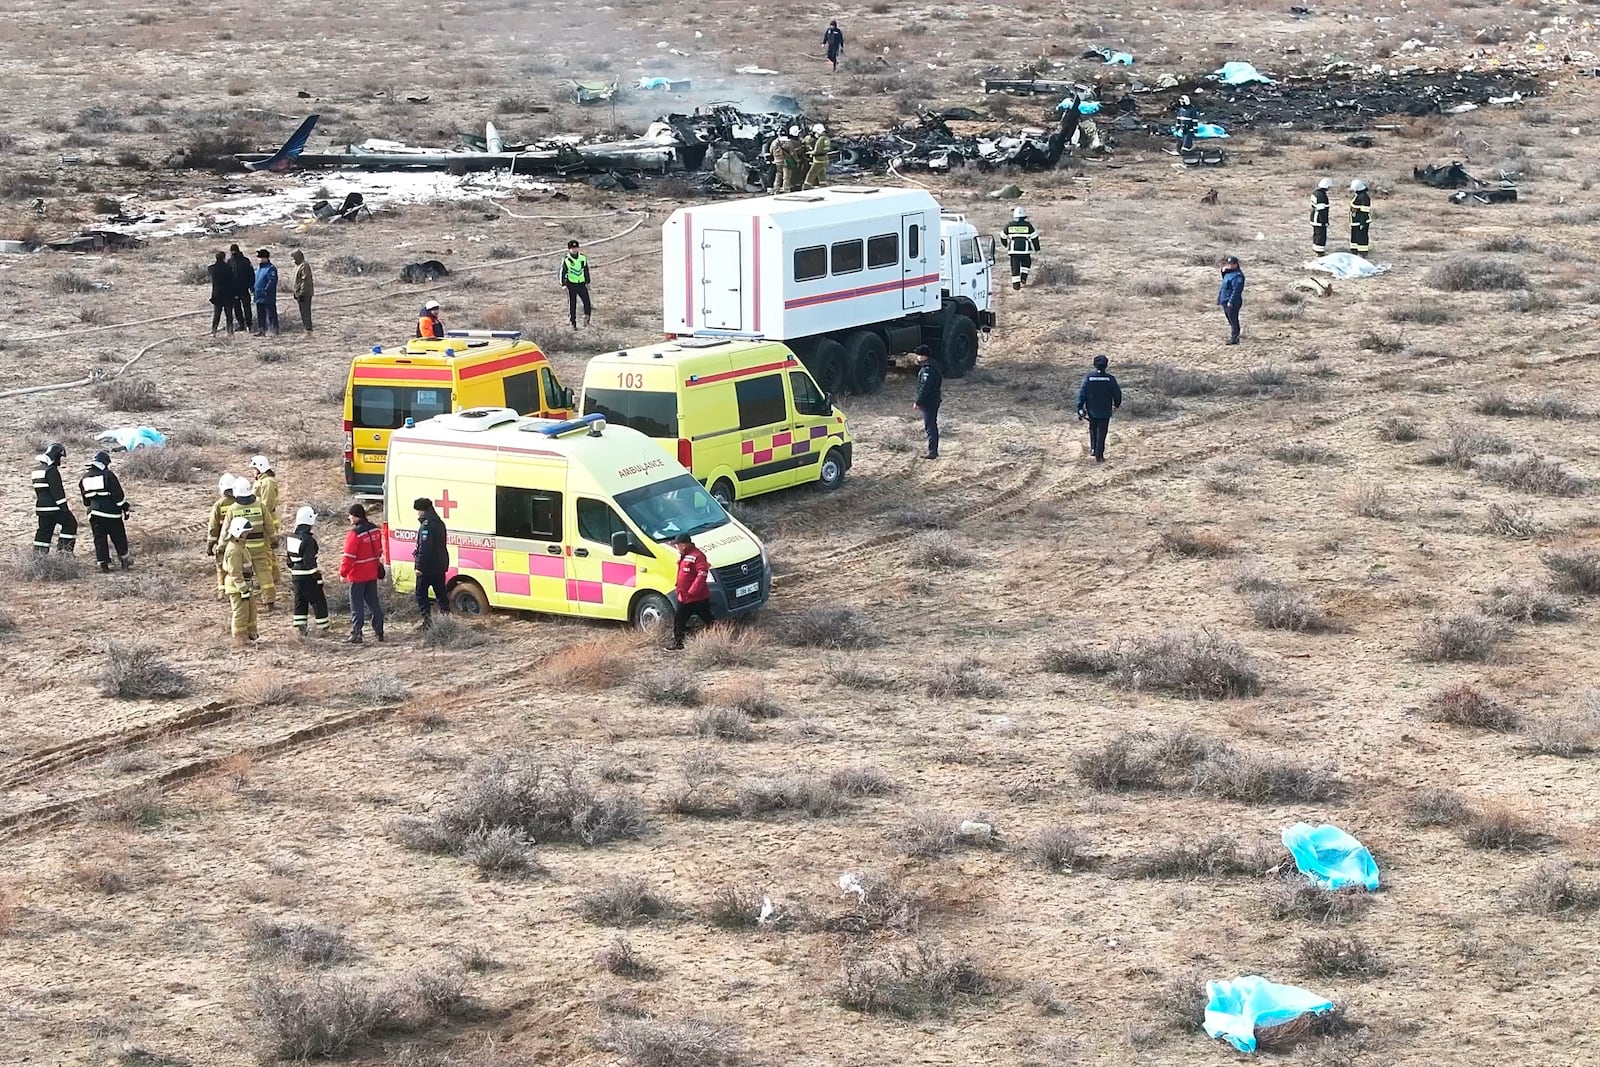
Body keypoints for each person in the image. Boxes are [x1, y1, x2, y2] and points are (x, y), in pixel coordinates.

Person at [225, 475, 276, 609]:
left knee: (240, 573)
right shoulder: (260, 506)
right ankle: (269, 600)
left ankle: (243, 596)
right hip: (259, 546)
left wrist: (221, 546)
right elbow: (269, 525)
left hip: (241, 549)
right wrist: (274, 539)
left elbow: (226, 530)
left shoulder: (232, 509)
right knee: (264, 572)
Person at [340, 503, 386, 645]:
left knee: (357, 605)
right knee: (374, 604)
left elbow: (349, 557)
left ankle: (357, 634)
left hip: (357, 575)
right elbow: (379, 550)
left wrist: (343, 573)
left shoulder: (355, 535)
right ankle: (379, 632)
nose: (349, 518)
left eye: (350, 515)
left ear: (355, 516)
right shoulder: (375, 530)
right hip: (372, 573)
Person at [79, 450, 132, 572]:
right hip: (110, 513)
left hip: (93, 514)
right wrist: (125, 507)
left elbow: (86, 501)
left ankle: (103, 563)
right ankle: (124, 560)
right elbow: (118, 496)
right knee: (119, 537)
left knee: (99, 538)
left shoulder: (84, 478)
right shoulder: (108, 475)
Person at [285, 506, 330, 637]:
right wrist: (317, 577)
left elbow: (289, 561)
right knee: (318, 601)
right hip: (307, 576)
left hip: (295, 575)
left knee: (300, 601)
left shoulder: (291, 537)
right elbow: (309, 562)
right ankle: (323, 629)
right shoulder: (308, 540)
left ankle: (301, 629)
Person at [666, 532, 712, 651]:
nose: (677, 547)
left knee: (707, 619)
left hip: (697, 597)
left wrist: (693, 590)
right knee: (679, 621)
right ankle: (678, 642)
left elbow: (702, 573)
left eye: (678, 545)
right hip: (685, 596)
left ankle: (717, 636)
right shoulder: (684, 556)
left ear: (683, 545)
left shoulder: (697, 556)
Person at [412, 496, 452, 627]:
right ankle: (446, 620)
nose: (417, 514)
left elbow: (425, 548)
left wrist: (419, 566)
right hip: (440, 564)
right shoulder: (439, 522)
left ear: (422, 510)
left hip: (428, 567)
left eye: (418, 511)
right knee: (441, 593)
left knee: (421, 594)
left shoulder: (427, 525)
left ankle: (427, 621)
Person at [31, 442, 77, 555]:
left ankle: (39, 556)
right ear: (55, 456)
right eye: (59, 457)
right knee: (70, 524)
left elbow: (38, 491)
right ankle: (64, 553)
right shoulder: (51, 470)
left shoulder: (37, 470)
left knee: (44, 531)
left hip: (41, 508)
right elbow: (58, 492)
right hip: (54, 507)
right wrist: (64, 508)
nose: (59, 461)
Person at [1076, 355, 1123, 462]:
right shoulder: (1110, 379)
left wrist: (1080, 407)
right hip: (1105, 410)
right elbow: (1117, 393)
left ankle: (1093, 448)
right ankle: (1099, 454)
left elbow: (1082, 393)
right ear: (1106, 365)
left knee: (1093, 428)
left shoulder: (1089, 378)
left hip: (1092, 409)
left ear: (1094, 365)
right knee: (1102, 431)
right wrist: (1117, 404)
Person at [221, 517, 259, 646]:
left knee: (250, 612)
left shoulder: (240, 546)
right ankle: (240, 638)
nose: (247, 535)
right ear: (238, 532)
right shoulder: (234, 550)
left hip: (245, 585)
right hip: (238, 588)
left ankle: (250, 634)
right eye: (245, 532)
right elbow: (235, 573)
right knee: (241, 614)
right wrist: (243, 589)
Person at [250, 455, 282, 592]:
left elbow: (266, 505)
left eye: (254, 469)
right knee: (269, 550)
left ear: (260, 468)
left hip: (267, 520)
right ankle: (274, 576)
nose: (252, 472)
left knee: (266, 551)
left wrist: (261, 521)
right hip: (265, 520)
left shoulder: (267, 483)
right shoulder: (263, 481)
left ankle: (268, 578)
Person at [207, 472, 238, 599]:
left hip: (223, 541)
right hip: (239, 541)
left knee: (221, 567)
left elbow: (213, 527)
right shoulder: (240, 502)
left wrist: (210, 544)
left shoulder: (219, 505)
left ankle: (222, 591)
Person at [912, 344, 942, 460]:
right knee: (931, 425)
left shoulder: (927, 369)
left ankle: (932, 452)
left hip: (929, 401)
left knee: (930, 427)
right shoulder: (934, 365)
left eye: (919, 355)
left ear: (923, 356)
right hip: (934, 399)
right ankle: (933, 450)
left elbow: (925, 387)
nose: (917, 357)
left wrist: (918, 402)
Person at [1002, 207, 1040, 290]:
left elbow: (1002, 236)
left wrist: (1005, 244)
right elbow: (1034, 237)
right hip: (1025, 250)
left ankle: (1016, 285)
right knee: (1026, 263)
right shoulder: (1028, 226)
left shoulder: (1009, 225)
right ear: (1024, 216)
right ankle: (1023, 277)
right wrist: (1037, 248)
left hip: (1013, 250)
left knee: (1015, 267)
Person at [560, 240, 592, 329]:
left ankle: (587, 320)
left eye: (575, 248)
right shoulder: (566, 260)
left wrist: (587, 282)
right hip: (571, 284)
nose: (574, 250)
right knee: (572, 304)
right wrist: (563, 284)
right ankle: (573, 322)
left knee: (587, 302)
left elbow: (586, 270)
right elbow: (563, 272)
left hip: (581, 284)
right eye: (572, 248)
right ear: (569, 249)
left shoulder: (582, 258)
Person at [207, 250, 237, 336]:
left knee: (217, 314)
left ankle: (214, 331)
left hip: (217, 294)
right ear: (224, 258)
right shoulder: (228, 268)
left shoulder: (211, 268)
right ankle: (230, 331)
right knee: (229, 315)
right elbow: (232, 281)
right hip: (228, 294)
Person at [1217, 255, 1245, 345]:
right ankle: (1234, 336)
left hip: (1232, 301)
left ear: (1236, 264)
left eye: (1231, 264)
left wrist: (1231, 301)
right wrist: (1223, 271)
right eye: (1228, 264)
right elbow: (1225, 280)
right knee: (1230, 319)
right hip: (1225, 299)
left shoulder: (1238, 276)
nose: (1229, 265)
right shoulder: (1229, 273)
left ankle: (1235, 338)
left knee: (1233, 320)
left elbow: (1236, 290)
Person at [228, 243, 255, 332]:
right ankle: (241, 324)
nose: (233, 253)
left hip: (244, 288)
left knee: (246, 307)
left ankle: (249, 324)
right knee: (237, 308)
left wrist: (251, 286)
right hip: (234, 289)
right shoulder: (230, 262)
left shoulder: (245, 261)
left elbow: (251, 274)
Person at [253, 248, 280, 335]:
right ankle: (262, 330)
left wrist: (266, 290)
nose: (259, 259)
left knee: (271, 314)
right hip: (258, 295)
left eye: (260, 257)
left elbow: (272, 280)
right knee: (260, 315)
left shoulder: (270, 268)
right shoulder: (258, 269)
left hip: (267, 296)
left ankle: (274, 330)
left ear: (265, 258)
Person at [291, 249, 314, 334]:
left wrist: (301, 292)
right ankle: (306, 329)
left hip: (304, 294)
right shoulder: (299, 266)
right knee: (303, 312)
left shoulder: (304, 266)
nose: (293, 260)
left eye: (294, 257)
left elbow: (305, 280)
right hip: (299, 293)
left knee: (306, 312)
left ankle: (308, 330)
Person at [803, 123, 831, 189]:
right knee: (821, 174)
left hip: (818, 160)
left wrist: (809, 153)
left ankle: (806, 186)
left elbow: (817, 151)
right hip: (824, 159)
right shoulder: (826, 138)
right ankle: (823, 186)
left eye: (815, 132)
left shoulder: (820, 139)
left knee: (811, 174)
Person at [1350, 179, 1372, 254]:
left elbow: (1364, 212)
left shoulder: (1364, 197)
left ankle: (1363, 252)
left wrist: (1362, 223)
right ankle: (1354, 250)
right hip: (1355, 221)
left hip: (1361, 221)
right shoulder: (1359, 195)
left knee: (1362, 236)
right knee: (1355, 236)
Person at [1310, 177, 1332, 254]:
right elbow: (1322, 210)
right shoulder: (1322, 196)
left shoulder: (1315, 193)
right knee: (1321, 235)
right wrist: (1324, 221)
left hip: (1314, 217)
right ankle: (1319, 251)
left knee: (1316, 234)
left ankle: (1315, 249)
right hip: (1319, 219)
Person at [784, 125, 807, 194]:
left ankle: (792, 186)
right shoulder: (795, 142)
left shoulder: (788, 141)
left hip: (789, 161)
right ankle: (795, 187)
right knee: (795, 175)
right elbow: (799, 152)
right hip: (796, 161)